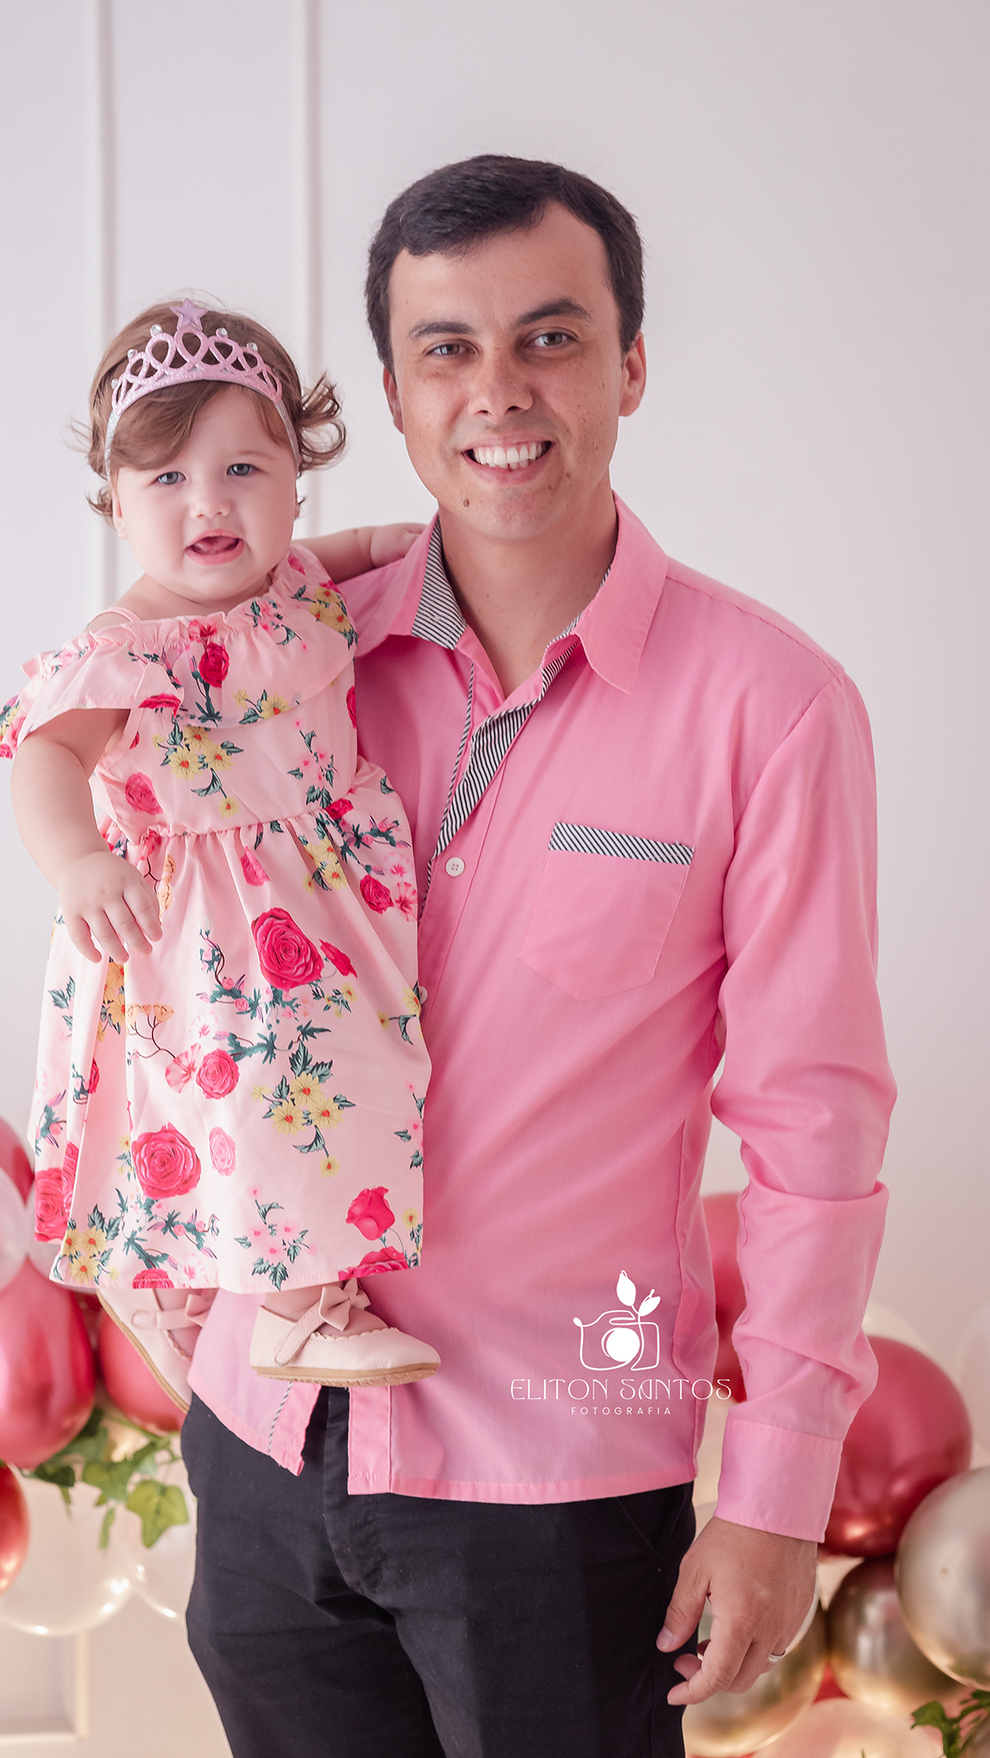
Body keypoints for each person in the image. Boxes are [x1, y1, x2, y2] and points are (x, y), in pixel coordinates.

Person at [179, 157, 896, 1757]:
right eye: (447, 349)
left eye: (550, 338)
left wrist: (778, 1491)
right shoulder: (289, 657)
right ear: (392, 393)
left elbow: (816, 1129)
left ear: (631, 364)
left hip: (555, 1488)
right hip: (262, 1434)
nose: (498, 392)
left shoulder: (773, 711)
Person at [0, 298, 439, 1395]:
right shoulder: (124, 650)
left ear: (295, 480)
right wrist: (78, 861)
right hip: (199, 932)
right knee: (272, 1100)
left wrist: (425, 548)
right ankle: (297, 1309)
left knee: (353, 1083)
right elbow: (45, 758)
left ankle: (178, 1286)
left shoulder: (294, 588)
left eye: (243, 470)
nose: (210, 502)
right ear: (116, 500)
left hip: (322, 912)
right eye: (168, 479)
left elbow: (356, 553)